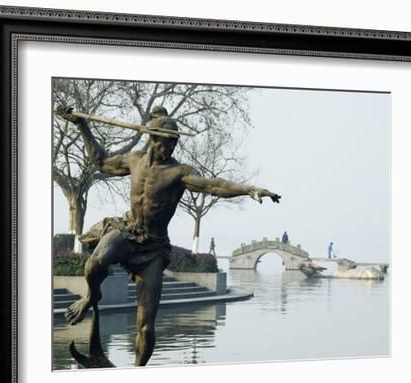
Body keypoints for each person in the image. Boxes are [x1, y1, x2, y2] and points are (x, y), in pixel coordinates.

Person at [56, 105, 281, 367]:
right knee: (96, 262)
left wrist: (248, 189)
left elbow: (214, 185)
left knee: (146, 328)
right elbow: (101, 162)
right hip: (129, 231)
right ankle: (92, 295)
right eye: (167, 143)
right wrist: (81, 126)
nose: (171, 148)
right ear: (153, 138)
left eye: (174, 144)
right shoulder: (134, 160)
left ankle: (137, 378)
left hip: (154, 248)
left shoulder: (179, 173)